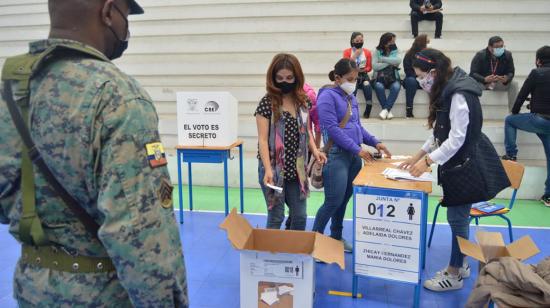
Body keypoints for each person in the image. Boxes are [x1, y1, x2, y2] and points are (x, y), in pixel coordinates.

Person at [0, 0, 189, 306]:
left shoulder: (12, 89)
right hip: (103, 294)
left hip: (32, 289)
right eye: (125, 17)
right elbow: (142, 237)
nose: (126, 28)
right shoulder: (116, 96)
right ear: (107, 12)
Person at [399, 48, 484, 291]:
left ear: (433, 72)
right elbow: (441, 132)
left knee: (457, 220)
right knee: (459, 219)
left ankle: (454, 274)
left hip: (463, 167)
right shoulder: (448, 88)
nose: (419, 80)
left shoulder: (458, 94)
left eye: (420, 75)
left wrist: (427, 162)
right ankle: (463, 262)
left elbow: (456, 139)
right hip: (458, 165)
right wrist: (418, 155)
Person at [313, 58, 391, 252]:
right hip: (338, 156)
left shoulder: (351, 98)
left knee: (344, 199)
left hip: (354, 158)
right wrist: (357, 149)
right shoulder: (326, 97)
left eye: (356, 79)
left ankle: (336, 237)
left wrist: (375, 142)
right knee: (332, 202)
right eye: (350, 79)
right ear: (337, 78)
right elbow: (332, 129)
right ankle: (315, 241)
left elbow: (357, 127)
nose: (353, 83)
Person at [256, 53, 327, 230]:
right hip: (273, 168)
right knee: (276, 215)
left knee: (300, 216)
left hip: (297, 169)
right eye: (279, 78)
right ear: (273, 78)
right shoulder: (267, 103)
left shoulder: (303, 101)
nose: (284, 82)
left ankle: (295, 255)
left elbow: (307, 130)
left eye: (289, 77)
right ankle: (269, 255)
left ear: (297, 77)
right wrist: (267, 169)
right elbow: (263, 140)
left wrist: (315, 150)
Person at [502, 46, 550, 207]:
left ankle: (511, 155)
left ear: (538, 60)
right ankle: (548, 195)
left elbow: (522, 94)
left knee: (510, 121)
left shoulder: (537, 73)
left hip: (539, 120)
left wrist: (515, 112)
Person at [470, 36, 518, 111]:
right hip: (483, 84)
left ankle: (514, 112)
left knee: (514, 84)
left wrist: (506, 79)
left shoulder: (507, 55)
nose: (500, 49)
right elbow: (473, 73)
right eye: (496, 47)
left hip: (498, 83)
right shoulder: (480, 55)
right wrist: (484, 79)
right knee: (472, 85)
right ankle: (473, 111)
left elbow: (511, 71)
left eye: (501, 46)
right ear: (489, 47)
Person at [343, 32, 374, 118]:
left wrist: (363, 69)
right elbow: (345, 65)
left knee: (367, 86)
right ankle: (351, 109)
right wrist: (354, 56)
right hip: (352, 75)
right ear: (352, 41)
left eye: (361, 40)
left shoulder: (367, 52)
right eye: (357, 40)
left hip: (363, 74)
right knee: (353, 88)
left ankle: (369, 106)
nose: (359, 42)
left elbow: (369, 67)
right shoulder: (347, 52)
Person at [372, 32, 402, 120]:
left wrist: (382, 59)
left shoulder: (396, 50)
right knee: (378, 86)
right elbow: (375, 66)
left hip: (393, 77)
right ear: (385, 42)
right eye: (391, 42)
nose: (393, 43)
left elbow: (398, 60)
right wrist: (390, 63)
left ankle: (385, 110)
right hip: (380, 78)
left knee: (396, 87)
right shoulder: (377, 51)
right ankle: (387, 111)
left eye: (394, 41)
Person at [403, 34, 430, 118]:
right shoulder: (409, 54)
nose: (427, 45)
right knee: (411, 81)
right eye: (426, 43)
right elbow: (407, 70)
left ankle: (434, 109)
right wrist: (419, 76)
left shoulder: (428, 54)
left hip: (426, 79)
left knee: (435, 81)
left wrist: (425, 77)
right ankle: (409, 109)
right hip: (413, 79)